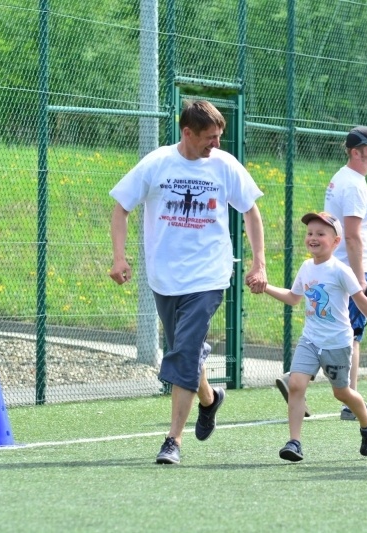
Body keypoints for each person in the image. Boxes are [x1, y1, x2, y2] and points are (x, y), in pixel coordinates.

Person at [109, 99, 267, 465]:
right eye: (209, 138)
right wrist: (119, 257)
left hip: (209, 275)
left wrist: (259, 263)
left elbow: (251, 212)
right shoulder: (157, 163)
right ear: (187, 132)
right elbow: (121, 208)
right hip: (164, 278)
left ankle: (172, 441)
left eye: (219, 137)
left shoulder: (225, 165)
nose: (216, 144)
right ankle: (210, 400)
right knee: (184, 351)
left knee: (183, 352)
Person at [262, 212, 367, 462]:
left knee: (342, 393)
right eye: (309, 233)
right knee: (295, 384)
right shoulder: (306, 267)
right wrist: (266, 287)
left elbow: (364, 304)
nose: (313, 238)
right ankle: (294, 442)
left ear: (336, 242)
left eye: (320, 234)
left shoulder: (341, 271)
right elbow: (294, 298)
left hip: (337, 343)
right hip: (310, 340)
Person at [276, 126, 367, 422]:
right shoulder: (353, 185)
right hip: (351, 270)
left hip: (343, 268)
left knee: (339, 332)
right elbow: (351, 236)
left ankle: (297, 379)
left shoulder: (345, 178)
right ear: (356, 152)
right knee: (351, 336)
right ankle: (351, 404)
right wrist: (362, 282)